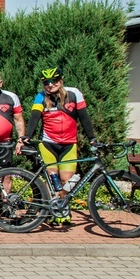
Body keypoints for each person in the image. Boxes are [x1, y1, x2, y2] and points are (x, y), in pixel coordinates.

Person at [19, 67, 97, 224]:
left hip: (69, 144)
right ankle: (51, 212)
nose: (50, 84)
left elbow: (84, 117)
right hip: (48, 144)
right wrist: (27, 137)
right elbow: (34, 118)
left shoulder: (74, 94)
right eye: (46, 82)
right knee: (53, 181)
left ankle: (62, 209)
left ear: (61, 81)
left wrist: (92, 139)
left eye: (53, 81)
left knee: (66, 181)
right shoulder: (41, 97)